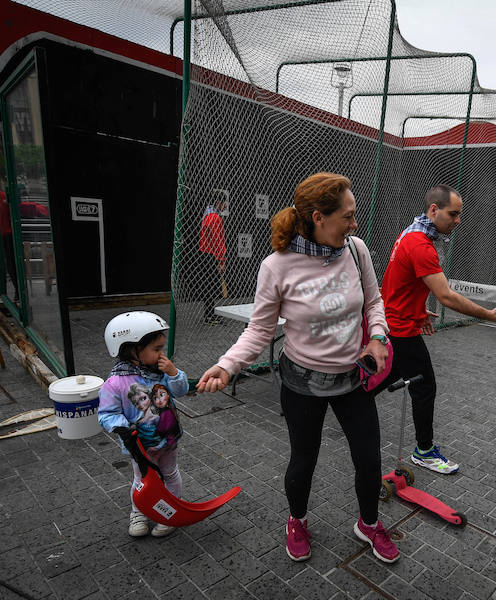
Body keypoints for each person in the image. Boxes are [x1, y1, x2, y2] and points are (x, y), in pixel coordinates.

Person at [196, 173, 399, 564]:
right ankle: (298, 520)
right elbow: (260, 330)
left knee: (370, 457)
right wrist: (227, 366)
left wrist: (377, 336)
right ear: (318, 217)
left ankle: (368, 524)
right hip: (302, 381)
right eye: (348, 216)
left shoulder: (357, 251)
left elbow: (374, 302)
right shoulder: (278, 266)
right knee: (304, 459)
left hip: (353, 377)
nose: (355, 224)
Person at [377, 184, 496, 475]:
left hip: (397, 324)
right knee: (423, 386)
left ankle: (346, 404)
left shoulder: (411, 233)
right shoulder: (420, 244)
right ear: (434, 210)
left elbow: (400, 282)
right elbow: (446, 296)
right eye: (453, 214)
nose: (458, 221)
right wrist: (489, 315)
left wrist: (418, 310)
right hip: (400, 331)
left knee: (383, 381)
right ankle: (424, 450)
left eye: (459, 215)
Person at [98, 311, 188, 538]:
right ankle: (139, 513)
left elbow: (182, 391)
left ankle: (170, 512)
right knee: (142, 479)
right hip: (140, 445)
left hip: (168, 440)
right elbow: (107, 413)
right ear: (132, 349)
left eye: (161, 348)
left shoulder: (161, 372)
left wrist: (174, 373)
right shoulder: (115, 383)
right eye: (156, 349)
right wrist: (124, 428)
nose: (162, 354)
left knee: (170, 474)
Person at [199, 191, 227, 324]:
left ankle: (209, 314)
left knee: (208, 286)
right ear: (218, 203)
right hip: (212, 256)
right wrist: (221, 261)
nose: (225, 206)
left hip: (205, 255)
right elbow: (218, 241)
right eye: (224, 203)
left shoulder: (206, 215)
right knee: (211, 287)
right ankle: (209, 316)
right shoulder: (215, 218)